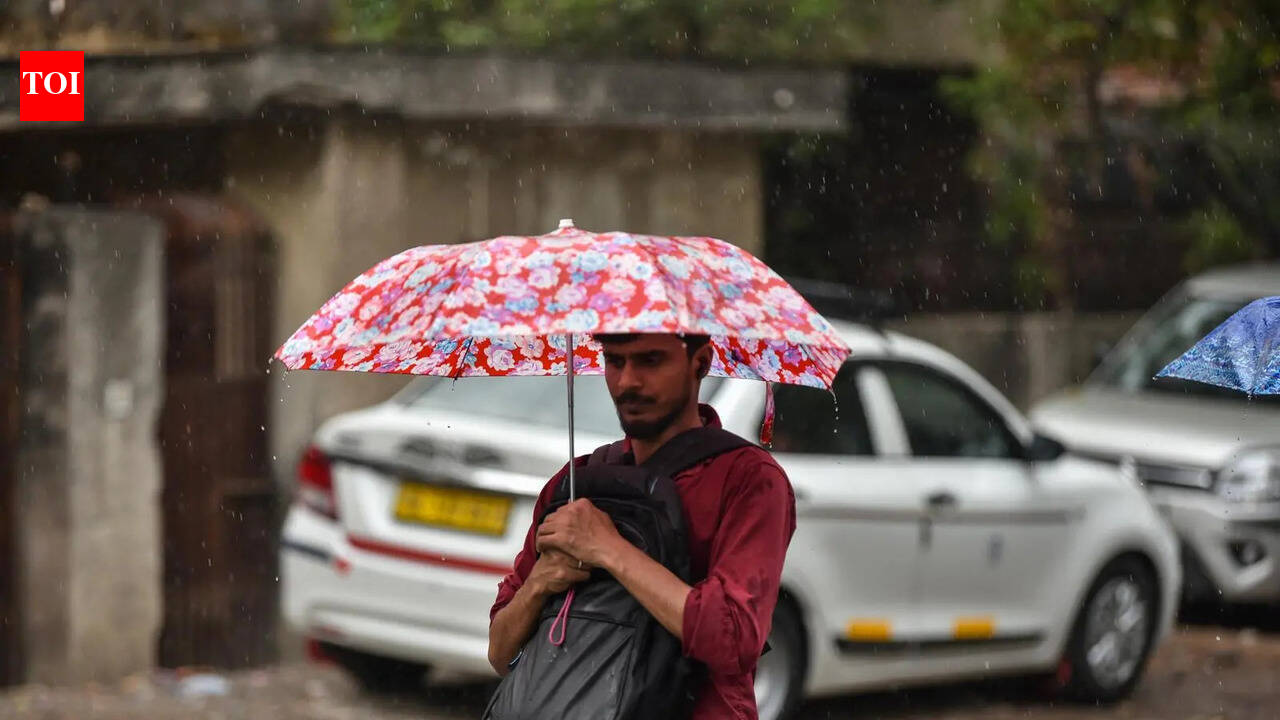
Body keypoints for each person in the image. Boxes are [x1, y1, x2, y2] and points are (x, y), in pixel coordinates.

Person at [487, 332, 797, 720]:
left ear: (699, 363)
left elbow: (732, 640)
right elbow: (500, 654)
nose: (627, 381)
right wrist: (538, 585)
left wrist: (609, 549)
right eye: (615, 361)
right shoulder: (577, 481)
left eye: (650, 361)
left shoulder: (749, 479)